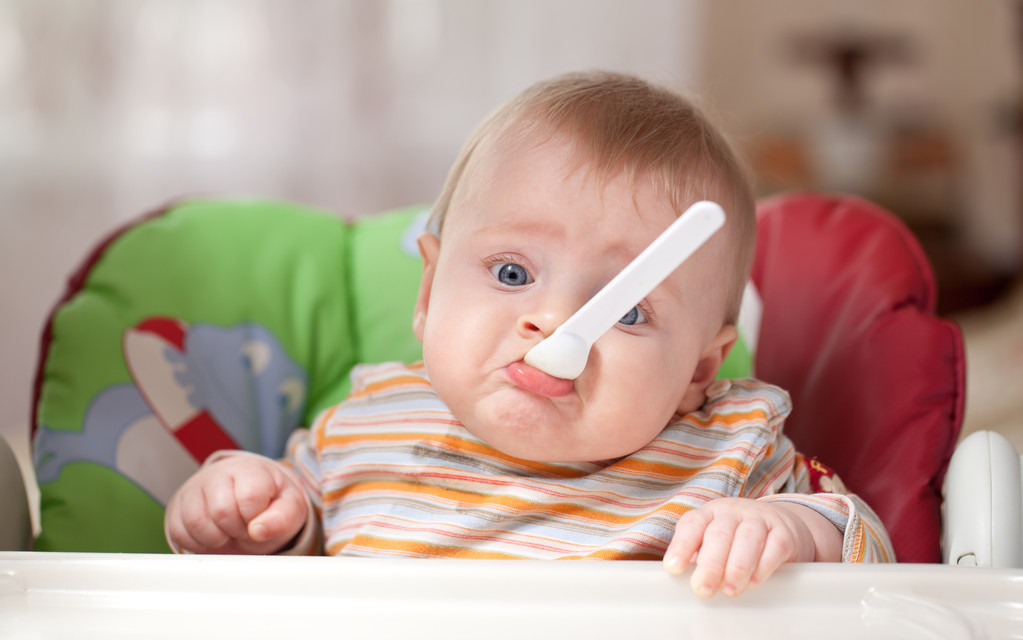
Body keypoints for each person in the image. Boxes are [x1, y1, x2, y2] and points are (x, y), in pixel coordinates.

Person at [165, 71, 894, 598]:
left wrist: (793, 533)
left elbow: (869, 553)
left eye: (628, 310)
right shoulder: (365, 427)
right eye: (512, 274)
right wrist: (252, 513)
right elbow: (278, 572)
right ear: (426, 292)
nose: (552, 320)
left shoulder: (724, 452)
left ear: (698, 371)